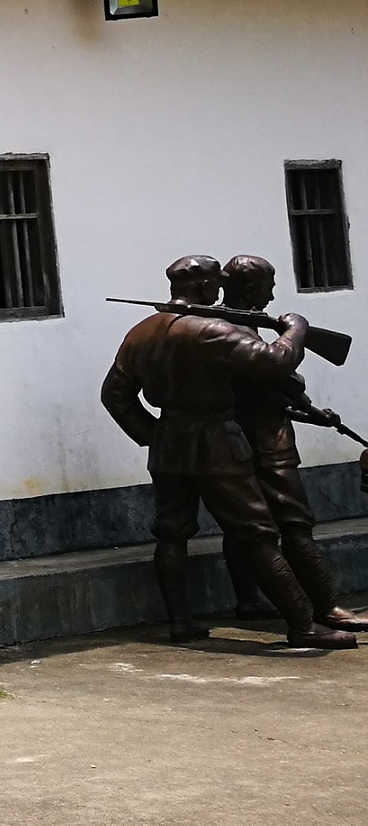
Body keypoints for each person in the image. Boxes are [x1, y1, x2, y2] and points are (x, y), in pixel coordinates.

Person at [99, 256, 352, 648]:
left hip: (169, 442)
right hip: (215, 441)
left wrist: (152, 434)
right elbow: (276, 361)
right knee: (257, 533)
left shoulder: (141, 332)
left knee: (171, 533)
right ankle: (303, 625)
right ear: (203, 287)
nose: (219, 291)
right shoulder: (209, 330)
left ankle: (181, 622)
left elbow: (115, 394)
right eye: (215, 285)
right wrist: (296, 329)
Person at [221, 255, 368, 633]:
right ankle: (326, 607)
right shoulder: (236, 331)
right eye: (267, 288)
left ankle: (250, 600)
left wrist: (314, 413)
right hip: (267, 441)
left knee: (243, 525)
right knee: (294, 522)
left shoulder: (224, 328)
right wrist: (295, 331)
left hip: (240, 437)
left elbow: (266, 390)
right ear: (250, 290)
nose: (272, 296)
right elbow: (280, 373)